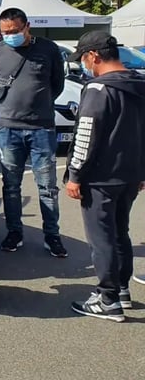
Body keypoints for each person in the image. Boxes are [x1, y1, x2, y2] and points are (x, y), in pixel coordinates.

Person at [64, 32, 145, 322]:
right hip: (131, 174)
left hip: (100, 177)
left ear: (94, 56)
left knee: (102, 238)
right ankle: (121, 288)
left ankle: (107, 298)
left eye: (84, 58)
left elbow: (87, 134)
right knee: (120, 232)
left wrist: (74, 175)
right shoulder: (139, 84)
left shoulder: (98, 89)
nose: (84, 65)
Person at [0, 7, 68, 258]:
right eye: (4, 32)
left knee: (47, 187)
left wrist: (38, 105)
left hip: (41, 127)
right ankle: (14, 232)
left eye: (14, 31)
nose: (9, 35)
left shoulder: (48, 49)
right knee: (10, 186)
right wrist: (8, 109)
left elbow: (57, 85)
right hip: (8, 129)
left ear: (27, 26)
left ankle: (52, 236)